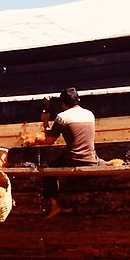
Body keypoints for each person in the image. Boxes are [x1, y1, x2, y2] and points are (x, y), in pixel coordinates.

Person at [38, 88, 100, 219]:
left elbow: (49, 141)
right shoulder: (90, 114)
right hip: (92, 160)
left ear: (64, 104)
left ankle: (55, 206)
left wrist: (45, 122)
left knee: (47, 172)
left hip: (73, 159)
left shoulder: (62, 117)